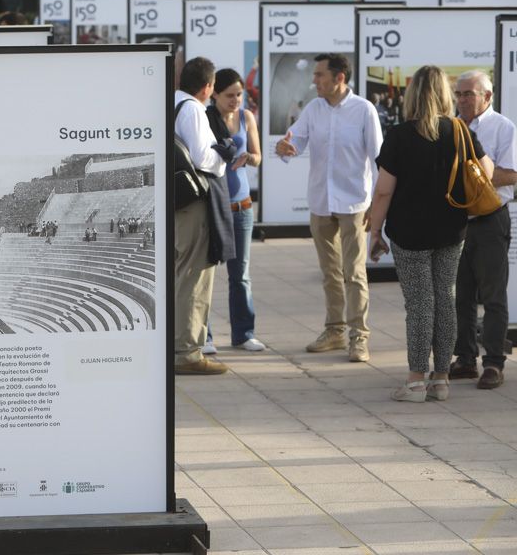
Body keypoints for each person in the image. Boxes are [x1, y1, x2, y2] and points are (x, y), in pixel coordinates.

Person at [369, 66, 493, 402]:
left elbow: (383, 191)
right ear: (444, 94)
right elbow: (486, 171)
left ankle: (414, 381)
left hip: (409, 232)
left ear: (412, 94)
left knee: (420, 304)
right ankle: (441, 380)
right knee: (445, 300)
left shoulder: (399, 135)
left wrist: (375, 230)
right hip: (452, 228)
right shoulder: (458, 130)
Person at [276, 53, 382, 363]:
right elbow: (295, 143)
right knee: (330, 274)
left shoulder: (364, 111)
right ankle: (334, 331)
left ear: (339, 78)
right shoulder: (314, 109)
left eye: (320, 74)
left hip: (354, 203)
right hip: (321, 203)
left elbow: (378, 160)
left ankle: (359, 336)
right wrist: (283, 149)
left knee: (355, 273)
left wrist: (377, 205)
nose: (314, 80)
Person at [449, 70, 517, 389]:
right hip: (455, 221)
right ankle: (464, 358)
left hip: (490, 219)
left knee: (492, 294)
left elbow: (511, 174)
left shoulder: (502, 127)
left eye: (468, 94)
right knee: (460, 295)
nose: (462, 99)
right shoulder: (449, 126)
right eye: (459, 94)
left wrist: (471, 178)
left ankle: (493, 363)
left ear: (487, 96)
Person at [174, 57, 232, 375]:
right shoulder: (194, 109)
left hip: (174, 200)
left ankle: (176, 346)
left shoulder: (170, 103)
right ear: (208, 87)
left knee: (179, 273)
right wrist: (223, 154)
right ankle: (188, 352)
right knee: (195, 275)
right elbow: (201, 157)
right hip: (193, 200)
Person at [206, 68, 265, 352]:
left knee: (240, 274)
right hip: (214, 205)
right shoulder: (205, 119)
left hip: (242, 206)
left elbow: (258, 157)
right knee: (205, 273)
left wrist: (248, 158)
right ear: (215, 93)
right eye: (230, 95)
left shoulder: (246, 117)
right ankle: (204, 337)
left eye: (239, 95)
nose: (236, 100)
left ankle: (243, 333)